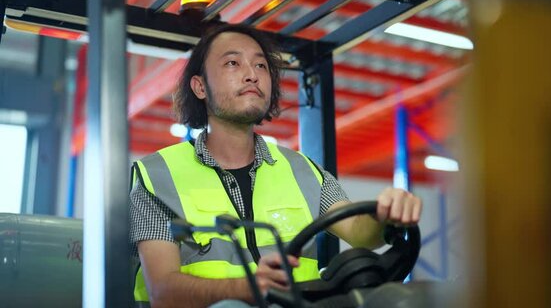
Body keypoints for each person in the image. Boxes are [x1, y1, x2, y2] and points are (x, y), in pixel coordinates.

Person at [129, 23, 423, 308]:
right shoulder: (157, 176)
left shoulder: (304, 171)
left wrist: (387, 213)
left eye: (260, 66)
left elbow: (360, 232)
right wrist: (247, 289)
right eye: (233, 63)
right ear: (200, 86)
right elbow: (163, 292)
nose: (251, 75)